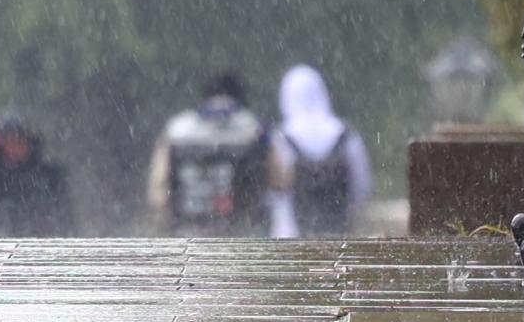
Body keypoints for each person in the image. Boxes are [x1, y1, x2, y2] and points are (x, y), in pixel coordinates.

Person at [147, 69, 272, 236]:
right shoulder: (255, 128)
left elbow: (158, 189)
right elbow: (280, 180)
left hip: (188, 231)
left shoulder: (177, 129)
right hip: (238, 232)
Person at [268, 64, 371, 238]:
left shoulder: (280, 138)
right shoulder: (346, 135)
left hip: (292, 238)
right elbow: (362, 187)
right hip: (339, 236)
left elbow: (276, 194)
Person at [0, 113, 75, 237]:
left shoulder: (48, 172)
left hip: (39, 241)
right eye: (8, 139)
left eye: (19, 139)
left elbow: (65, 214)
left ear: (29, 140)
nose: (14, 145)